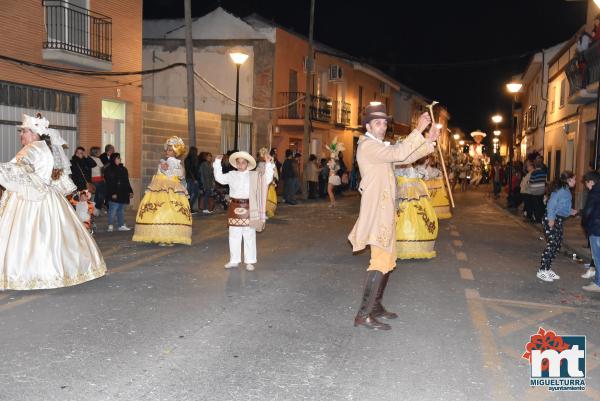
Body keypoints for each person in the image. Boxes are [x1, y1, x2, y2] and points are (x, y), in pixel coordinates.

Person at [348, 104, 438, 330]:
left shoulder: (378, 147)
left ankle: (375, 307)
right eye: (377, 123)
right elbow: (398, 153)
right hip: (377, 211)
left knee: (388, 259)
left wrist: (428, 142)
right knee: (379, 260)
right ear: (367, 125)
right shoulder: (368, 146)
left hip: (386, 210)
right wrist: (418, 129)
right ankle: (363, 314)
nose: (382, 126)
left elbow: (403, 158)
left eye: (384, 122)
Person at [0, 114, 106, 290]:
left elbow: (18, 169)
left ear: (34, 133)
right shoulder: (44, 148)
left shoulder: (31, 149)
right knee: (51, 235)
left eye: (24, 131)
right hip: (48, 198)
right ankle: (56, 270)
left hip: (32, 199)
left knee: (28, 235)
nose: (21, 135)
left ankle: (30, 273)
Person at [214, 151, 274, 271]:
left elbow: (267, 179)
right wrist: (217, 162)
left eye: (243, 162)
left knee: (249, 235)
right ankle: (234, 260)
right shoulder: (231, 174)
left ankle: (250, 261)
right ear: (236, 164)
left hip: (249, 207)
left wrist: (268, 163)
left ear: (247, 164)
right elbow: (219, 178)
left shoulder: (254, 175)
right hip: (234, 207)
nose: (241, 165)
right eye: (239, 163)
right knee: (233, 235)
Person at [133, 137, 191, 245]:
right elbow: (181, 177)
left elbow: (174, 175)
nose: (166, 152)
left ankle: (164, 236)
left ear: (175, 151)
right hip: (172, 188)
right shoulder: (178, 164)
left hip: (165, 189)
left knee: (164, 211)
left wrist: (165, 168)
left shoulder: (170, 163)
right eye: (166, 149)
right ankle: (169, 236)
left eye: (169, 150)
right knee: (170, 212)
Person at [536, 171, 577, 282]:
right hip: (552, 219)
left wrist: (570, 211)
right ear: (569, 180)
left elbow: (561, 206)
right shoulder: (561, 190)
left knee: (557, 245)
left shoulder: (566, 190)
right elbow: (551, 204)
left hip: (558, 219)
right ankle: (542, 270)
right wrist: (551, 219)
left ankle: (547, 269)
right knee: (552, 244)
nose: (575, 181)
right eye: (574, 179)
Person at [394, 160, 438, 259]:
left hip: (413, 197)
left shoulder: (413, 171)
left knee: (415, 218)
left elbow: (426, 175)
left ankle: (407, 247)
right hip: (401, 198)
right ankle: (399, 246)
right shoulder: (398, 170)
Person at [103, 152, 134, 232]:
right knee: (113, 209)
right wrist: (113, 193)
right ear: (113, 159)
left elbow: (126, 181)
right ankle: (110, 225)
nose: (120, 159)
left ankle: (121, 225)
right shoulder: (109, 169)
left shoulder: (123, 169)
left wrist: (130, 191)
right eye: (118, 158)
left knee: (121, 209)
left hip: (122, 192)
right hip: (114, 192)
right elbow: (109, 182)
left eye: (120, 158)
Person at [581, 171, 600, 290]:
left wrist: (584, 223)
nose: (586, 186)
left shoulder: (594, 193)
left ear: (591, 182)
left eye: (586, 183)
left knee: (597, 256)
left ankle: (598, 283)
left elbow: (588, 211)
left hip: (596, 228)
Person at [529, 158, 547, 223]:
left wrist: (529, 184)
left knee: (535, 205)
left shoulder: (534, 172)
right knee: (540, 204)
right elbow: (544, 181)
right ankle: (541, 217)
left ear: (535, 166)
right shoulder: (543, 172)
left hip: (535, 191)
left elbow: (531, 181)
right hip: (541, 190)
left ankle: (537, 218)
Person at [89, 146, 106, 215]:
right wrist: (103, 176)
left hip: (92, 179)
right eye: (99, 151)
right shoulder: (97, 159)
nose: (100, 152)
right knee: (101, 194)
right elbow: (102, 168)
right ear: (96, 152)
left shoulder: (89, 159)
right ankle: (96, 208)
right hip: (98, 179)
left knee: (96, 194)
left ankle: (95, 208)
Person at [184, 146, 200, 213]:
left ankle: (189, 207)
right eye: (196, 151)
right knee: (191, 194)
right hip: (191, 179)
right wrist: (194, 179)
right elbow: (189, 170)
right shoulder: (188, 160)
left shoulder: (194, 159)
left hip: (193, 179)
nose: (197, 153)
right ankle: (188, 208)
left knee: (195, 194)